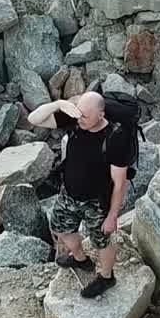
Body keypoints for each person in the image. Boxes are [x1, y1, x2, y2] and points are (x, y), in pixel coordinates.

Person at [26, 90, 136, 298]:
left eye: (85, 116)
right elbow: (33, 118)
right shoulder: (74, 119)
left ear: (101, 115)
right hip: (69, 193)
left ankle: (106, 277)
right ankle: (79, 259)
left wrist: (112, 215)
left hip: (97, 202)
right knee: (60, 228)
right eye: (78, 113)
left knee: (101, 242)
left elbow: (119, 182)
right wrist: (58, 104)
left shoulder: (115, 137)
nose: (79, 119)